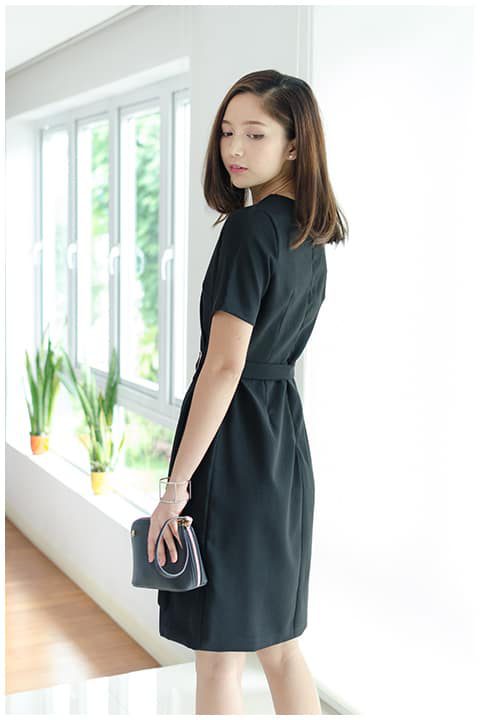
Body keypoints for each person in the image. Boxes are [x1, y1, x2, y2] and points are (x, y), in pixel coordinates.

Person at [147, 69, 348, 714]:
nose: (234, 148)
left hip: (233, 447)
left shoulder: (249, 228)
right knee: (280, 645)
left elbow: (225, 366)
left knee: (218, 655)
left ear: (294, 145)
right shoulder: (310, 235)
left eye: (255, 134)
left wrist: (174, 489)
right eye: (227, 132)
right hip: (282, 444)